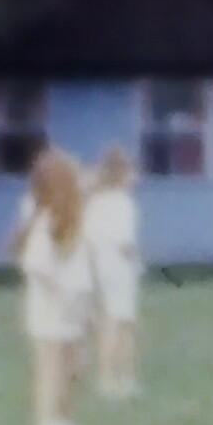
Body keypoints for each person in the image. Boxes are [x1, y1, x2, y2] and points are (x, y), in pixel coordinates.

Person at [14, 147, 99, 425]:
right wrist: (62, 292)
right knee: (51, 369)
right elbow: (36, 265)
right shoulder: (46, 221)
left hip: (75, 304)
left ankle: (64, 424)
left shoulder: (74, 216)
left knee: (73, 368)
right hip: (51, 308)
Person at [78, 139, 149, 399]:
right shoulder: (123, 203)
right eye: (131, 172)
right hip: (120, 268)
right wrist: (138, 262)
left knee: (110, 320)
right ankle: (121, 378)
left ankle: (107, 377)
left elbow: (88, 237)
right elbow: (125, 242)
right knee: (122, 323)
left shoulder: (95, 202)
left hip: (99, 266)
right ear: (121, 174)